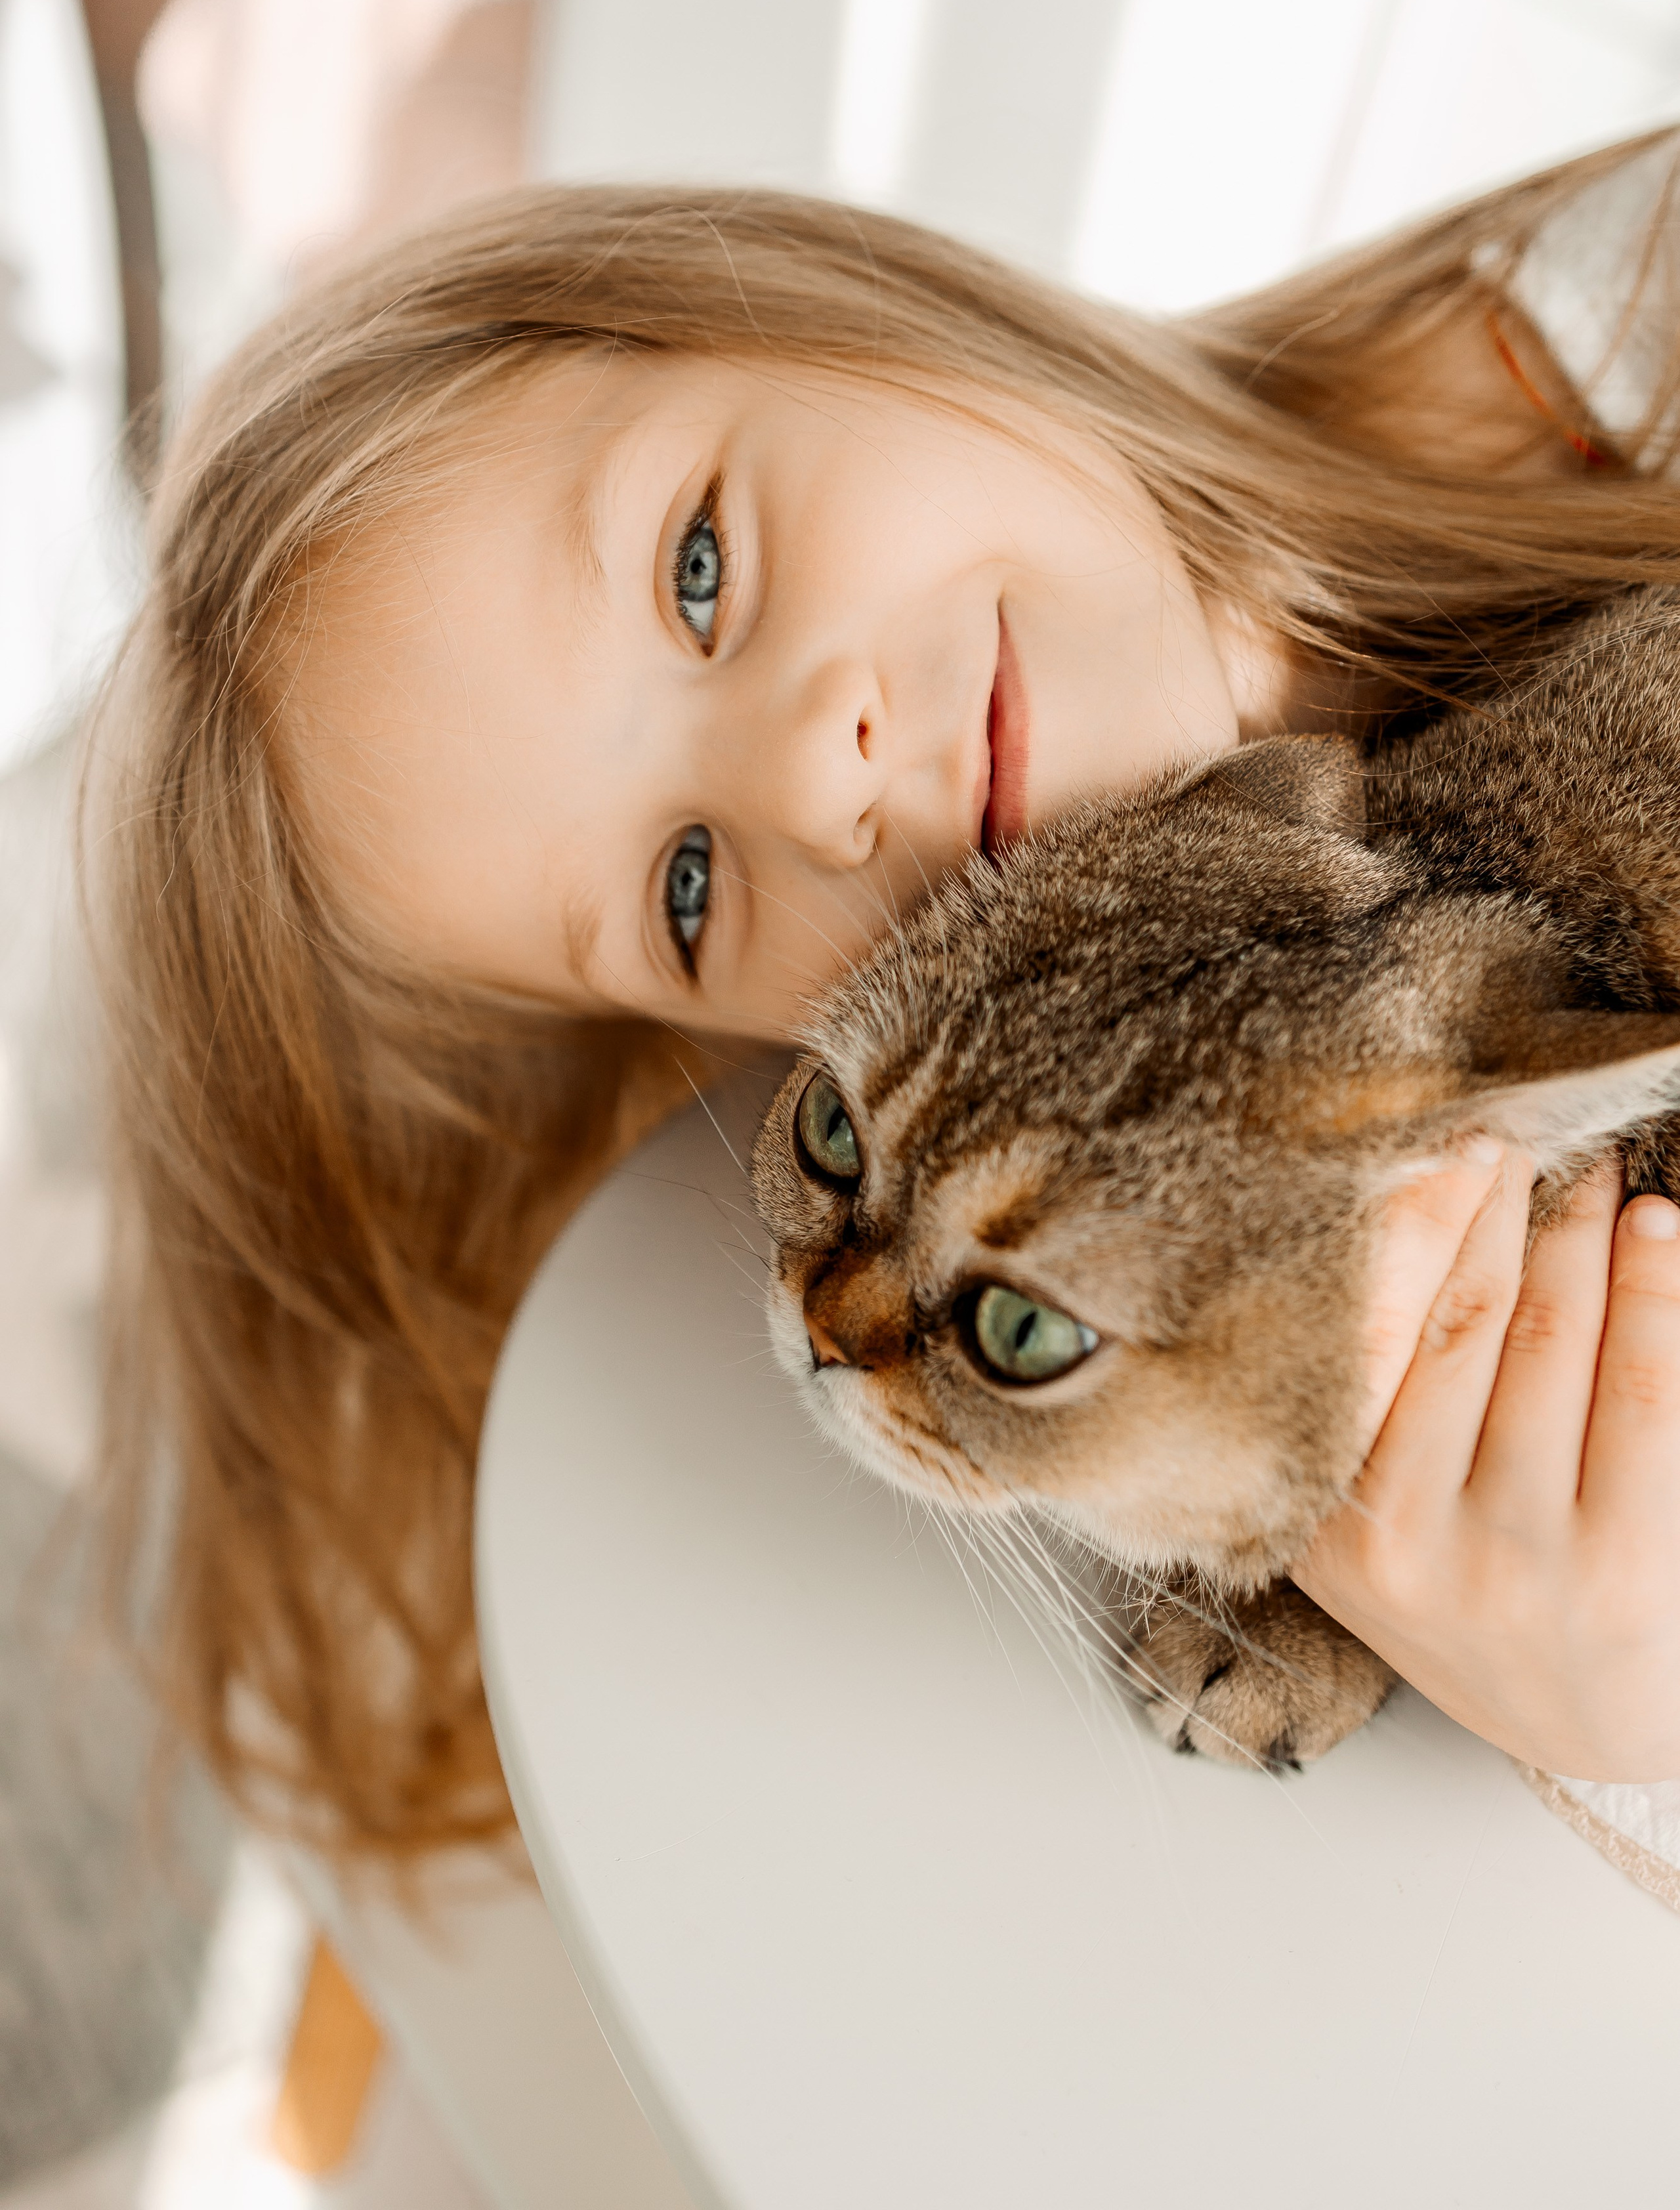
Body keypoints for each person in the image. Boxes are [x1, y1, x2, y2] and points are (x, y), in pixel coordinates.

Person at [93, 127, 1680, 1856]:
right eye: (687, 886)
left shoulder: (1632, 316)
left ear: (837, 310)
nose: (811, 776)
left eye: (700, 569)